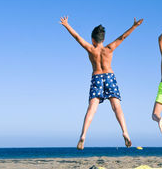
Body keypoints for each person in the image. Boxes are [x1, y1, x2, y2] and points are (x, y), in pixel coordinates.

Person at [59, 16, 143, 149]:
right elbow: (122, 38)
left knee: (92, 108)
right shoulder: (109, 48)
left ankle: (83, 135)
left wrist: (66, 25)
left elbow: (77, 37)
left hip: (97, 77)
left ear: (92, 39)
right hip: (109, 77)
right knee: (117, 107)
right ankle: (125, 132)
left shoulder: (91, 49)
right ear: (103, 39)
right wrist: (134, 26)